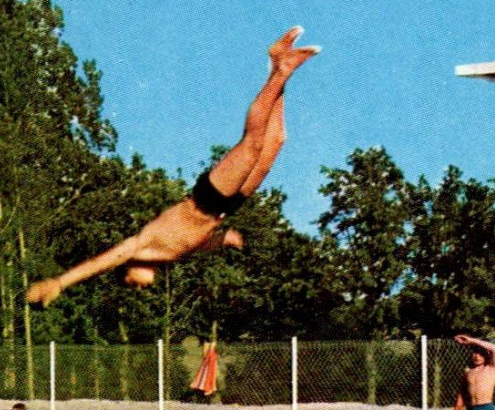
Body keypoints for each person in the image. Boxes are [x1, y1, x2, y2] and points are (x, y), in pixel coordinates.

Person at [26, 26, 318, 307]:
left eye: (131, 283)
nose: (139, 288)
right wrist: (220, 241)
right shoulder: (168, 257)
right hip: (227, 207)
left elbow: (101, 262)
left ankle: (282, 70)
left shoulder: (138, 246)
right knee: (276, 139)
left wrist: (60, 283)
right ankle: (278, 66)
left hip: (209, 198)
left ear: (127, 268)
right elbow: (194, 242)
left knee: (253, 142)